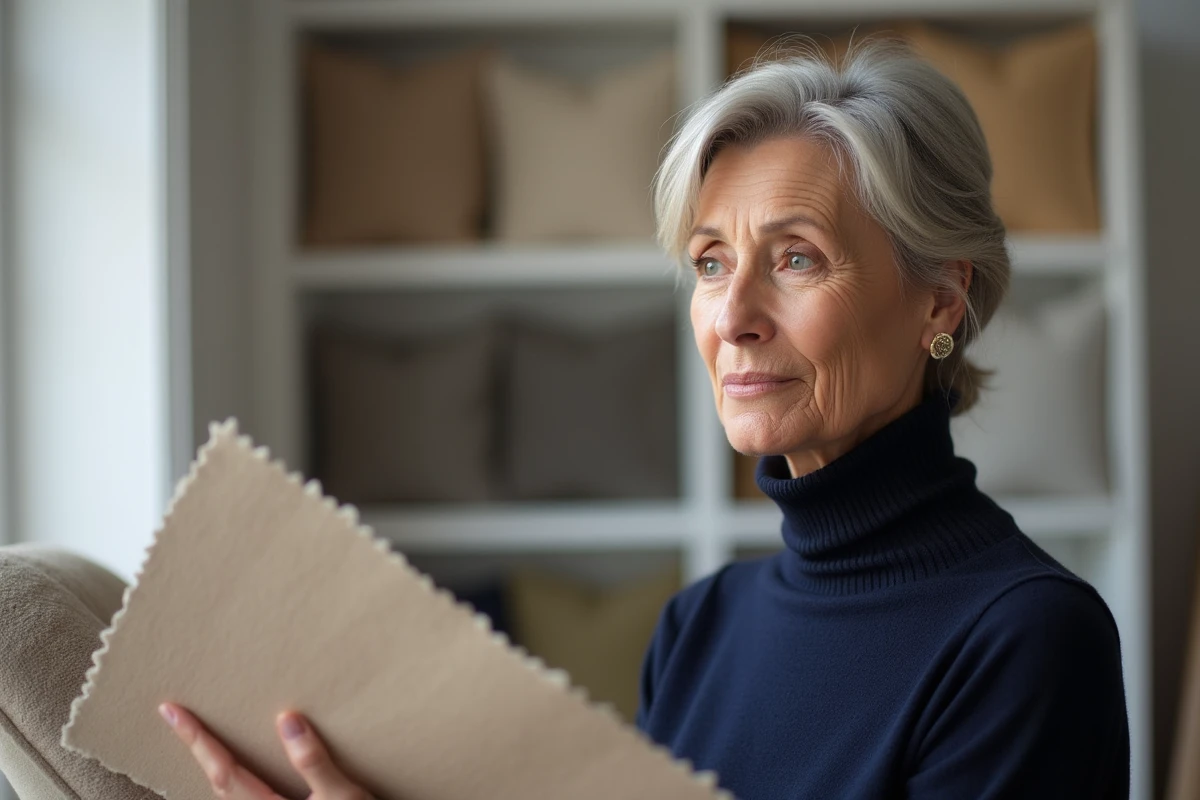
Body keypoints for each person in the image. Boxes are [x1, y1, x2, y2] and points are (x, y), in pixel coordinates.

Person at [159, 39, 1130, 799]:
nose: (733, 316)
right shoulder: (697, 629)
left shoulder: (1028, 639)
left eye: (794, 257)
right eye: (711, 262)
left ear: (939, 303)